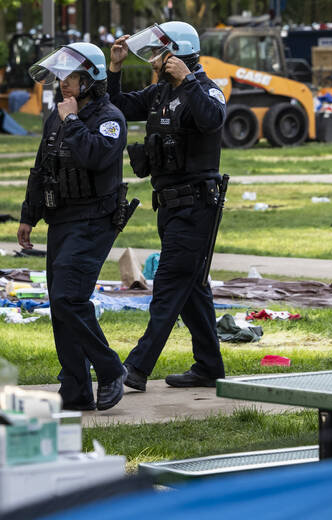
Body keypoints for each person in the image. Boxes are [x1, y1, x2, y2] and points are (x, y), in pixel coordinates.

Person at [107, 21, 227, 390]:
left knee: (171, 283)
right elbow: (119, 107)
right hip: (169, 207)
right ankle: (209, 366)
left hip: (196, 208)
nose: (155, 62)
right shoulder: (160, 93)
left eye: (160, 54)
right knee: (192, 288)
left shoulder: (205, 90)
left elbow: (213, 120)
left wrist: (189, 81)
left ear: (179, 55)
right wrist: (115, 68)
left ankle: (136, 368)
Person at [17, 43, 127, 412]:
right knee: (60, 305)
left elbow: (95, 155)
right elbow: (42, 167)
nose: (63, 84)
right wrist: (28, 215)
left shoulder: (109, 117)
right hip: (60, 218)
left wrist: (72, 121)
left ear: (91, 79)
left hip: (94, 219)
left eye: (72, 77)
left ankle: (111, 370)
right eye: (60, 77)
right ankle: (75, 388)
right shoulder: (59, 116)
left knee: (69, 298)